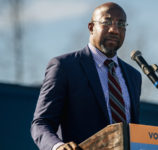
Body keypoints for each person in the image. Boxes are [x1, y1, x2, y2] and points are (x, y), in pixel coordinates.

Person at [31, 2, 142, 150]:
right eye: (107, 22)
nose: (114, 30)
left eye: (121, 24)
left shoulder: (133, 76)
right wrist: (57, 147)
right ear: (91, 27)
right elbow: (41, 123)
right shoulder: (64, 66)